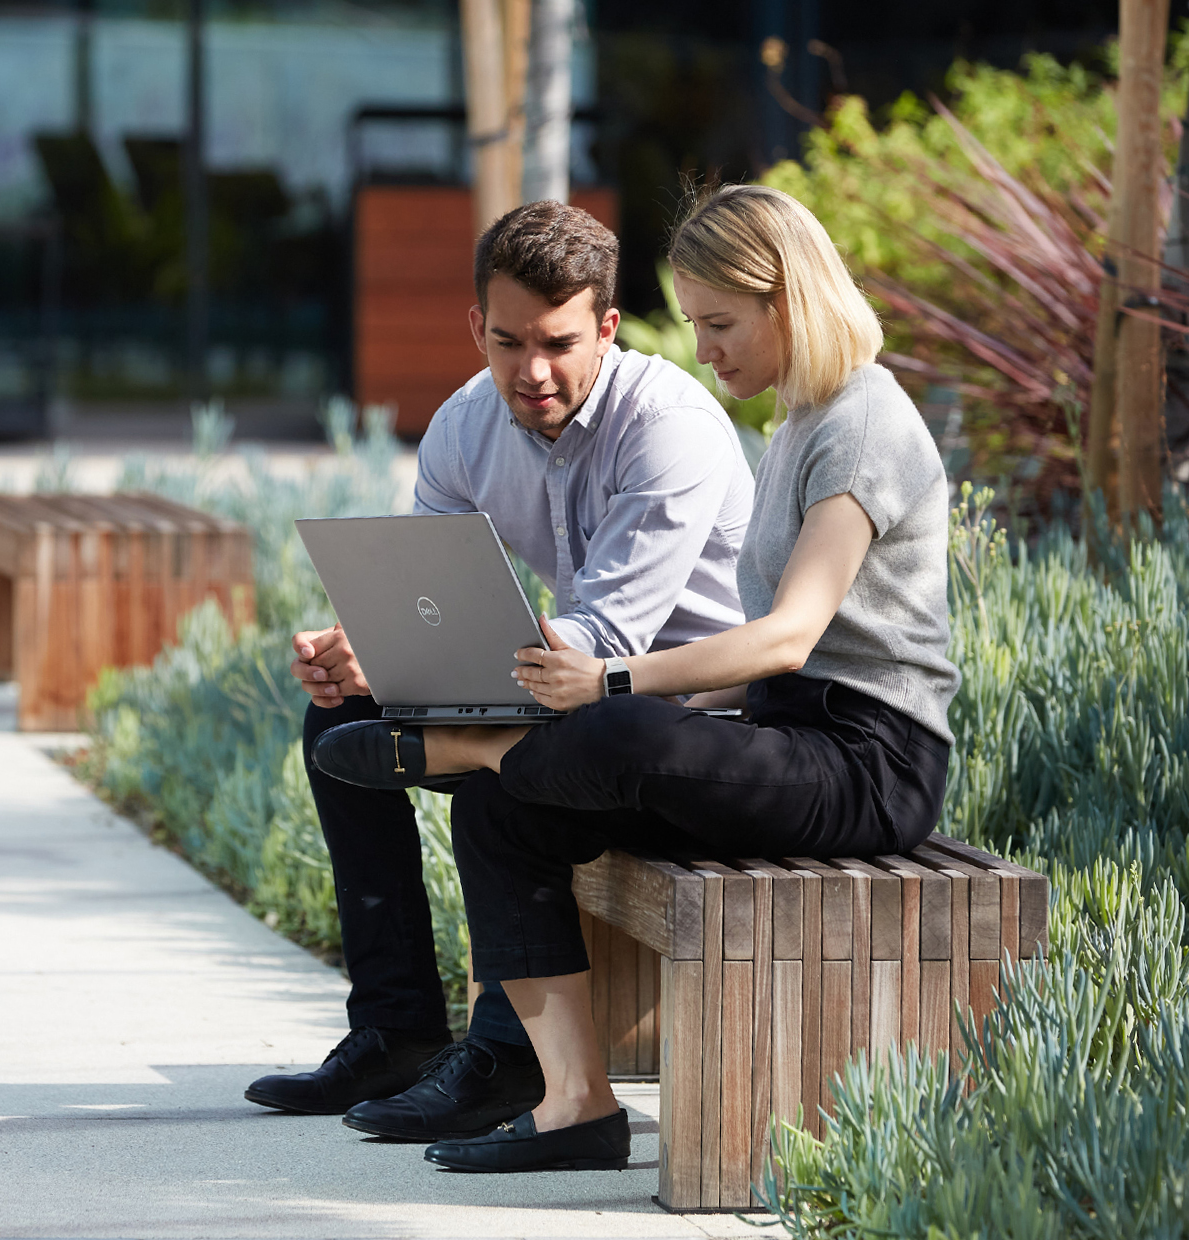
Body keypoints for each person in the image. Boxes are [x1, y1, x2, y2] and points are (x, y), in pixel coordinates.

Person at [312, 184, 959, 1172]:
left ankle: (478, 742)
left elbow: (788, 637)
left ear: (788, 301)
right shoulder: (797, 420)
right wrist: (383, 650)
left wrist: (609, 683)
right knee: (501, 805)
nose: (704, 347)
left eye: (720, 322)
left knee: (604, 731)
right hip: (771, 735)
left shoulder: (862, 422)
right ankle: (574, 1105)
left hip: (869, 757)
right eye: (698, 323)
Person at [244, 200, 756, 1144]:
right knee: (341, 726)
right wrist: (369, 649)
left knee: (508, 777)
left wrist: (438, 667)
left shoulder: (668, 427)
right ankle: (395, 1028)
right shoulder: (464, 425)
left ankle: (503, 1060)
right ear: (476, 325)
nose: (532, 371)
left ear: (607, 326)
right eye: (509, 339)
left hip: (687, 724)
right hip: (568, 699)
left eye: (560, 343)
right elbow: (431, 597)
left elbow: (602, 637)